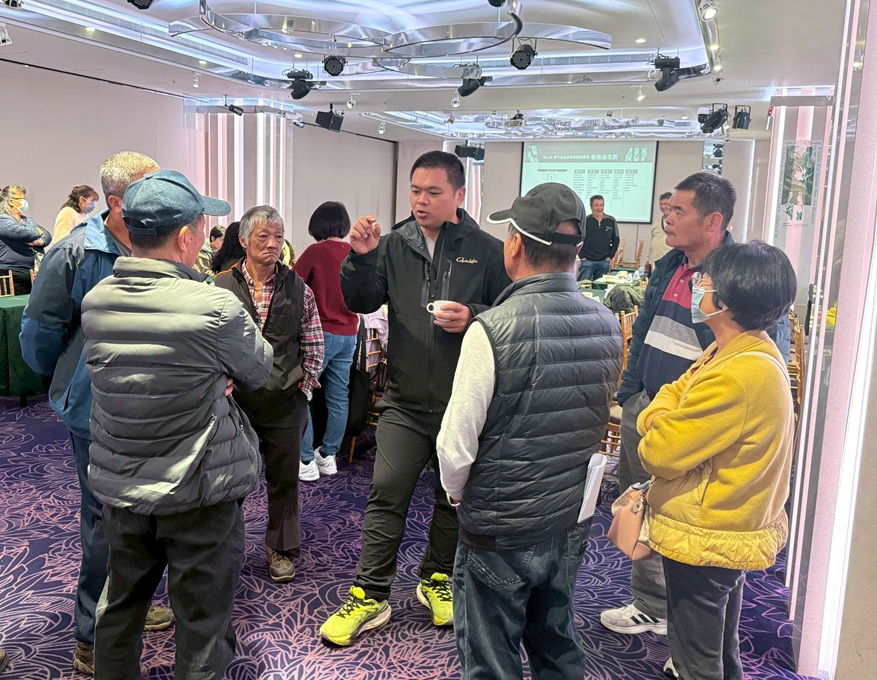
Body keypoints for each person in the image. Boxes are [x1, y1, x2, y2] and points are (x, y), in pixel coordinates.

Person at [81, 169, 273, 679]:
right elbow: (259, 369)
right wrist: (218, 373)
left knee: (120, 609)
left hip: (122, 487)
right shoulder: (214, 306)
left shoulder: (97, 301)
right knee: (203, 623)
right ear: (187, 237)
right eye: (202, 226)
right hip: (198, 491)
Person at [319, 150, 510, 646]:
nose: (421, 201)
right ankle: (370, 593)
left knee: (451, 498)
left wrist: (475, 315)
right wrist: (361, 258)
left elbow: (509, 313)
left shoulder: (488, 251)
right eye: (415, 191)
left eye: (433, 192)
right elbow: (360, 301)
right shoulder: (393, 244)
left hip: (463, 400)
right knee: (387, 493)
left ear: (459, 195)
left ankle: (436, 578)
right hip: (403, 400)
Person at [437, 183, 623, 679]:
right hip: (570, 513)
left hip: (502, 523)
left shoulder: (493, 328)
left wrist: (458, 495)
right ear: (577, 249)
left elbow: (455, 446)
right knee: (556, 641)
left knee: (491, 656)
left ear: (515, 243)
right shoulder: (608, 321)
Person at [600, 172, 790, 639]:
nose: (667, 217)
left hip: (701, 430)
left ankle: (688, 631)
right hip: (648, 407)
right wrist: (631, 394)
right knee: (645, 508)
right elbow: (646, 331)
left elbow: (749, 358)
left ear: (713, 221)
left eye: (678, 211)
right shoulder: (670, 265)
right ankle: (651, 605)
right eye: (667, 209)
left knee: (695, 539)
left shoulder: (741, 284)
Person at [20, 152, 174, 676]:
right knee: (105, 523)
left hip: (152, 408)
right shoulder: (76, 253)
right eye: (149, 190)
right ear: (116, 202)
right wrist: (72, 383)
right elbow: (39, 336)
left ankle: (129, 605)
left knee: (142, 518)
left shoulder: (160, 242)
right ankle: (92, 634)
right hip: (97, 413)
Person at [638, 241, 797, 680]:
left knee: (696, 659)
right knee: (720, 650)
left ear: (724, 301)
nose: (697, 286)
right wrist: (665, 411)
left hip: (707, 532)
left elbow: (658, 452)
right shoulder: (738, 348)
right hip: (725, 524)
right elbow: (675, 391)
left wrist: (655, 417)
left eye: (704, 281)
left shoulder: (738, 373)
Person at [214, 206, 324, 584]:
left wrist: (304, 388)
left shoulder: (298, 288)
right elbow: (207, 341)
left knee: (284, 480)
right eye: (263, 236)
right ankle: (222, 546)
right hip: (234, 403)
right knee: (229, 478)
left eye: (278, 236)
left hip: (284, 401)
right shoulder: (220, 286)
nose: (273, 244)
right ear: (244, 241)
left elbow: (313, 342)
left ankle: (281, 547)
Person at [294, 201, 359, 481]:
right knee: (338, 397)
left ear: (317, 224)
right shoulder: (355, 252)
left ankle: (305, 459)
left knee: (301, 395)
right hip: (350, 334)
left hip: (321, 334)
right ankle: (329, 456)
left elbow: (292, 285)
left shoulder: (315, 252)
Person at [0, 184, 52, 294]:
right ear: (11, 201)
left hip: (32, 272)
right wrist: (37, 232)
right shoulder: (2, 220)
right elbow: (25, 234)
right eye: (22, 199)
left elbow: (47, 235)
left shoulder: (27, 220)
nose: (25, 202)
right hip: (12, 274)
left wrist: (39, 241)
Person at [576, 194, 618, 281]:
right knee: (582, 285)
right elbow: (578, 238)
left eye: (601, 205)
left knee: (600, 286)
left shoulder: (611, 221)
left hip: (604, 261)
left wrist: (610, 256)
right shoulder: (585, 221)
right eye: (596, 205)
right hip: (587, 261)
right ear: (591, 207)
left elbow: (616, 239)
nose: (599, 208)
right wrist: (582, 256)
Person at [649, 191, 673, 266]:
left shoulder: (678, 221)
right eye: (661, 204)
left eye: (666, 204)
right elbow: (652, 240)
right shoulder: (657, 221)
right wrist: (648, 258)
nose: (663, 207)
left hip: (669, 262)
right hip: (654, 260)